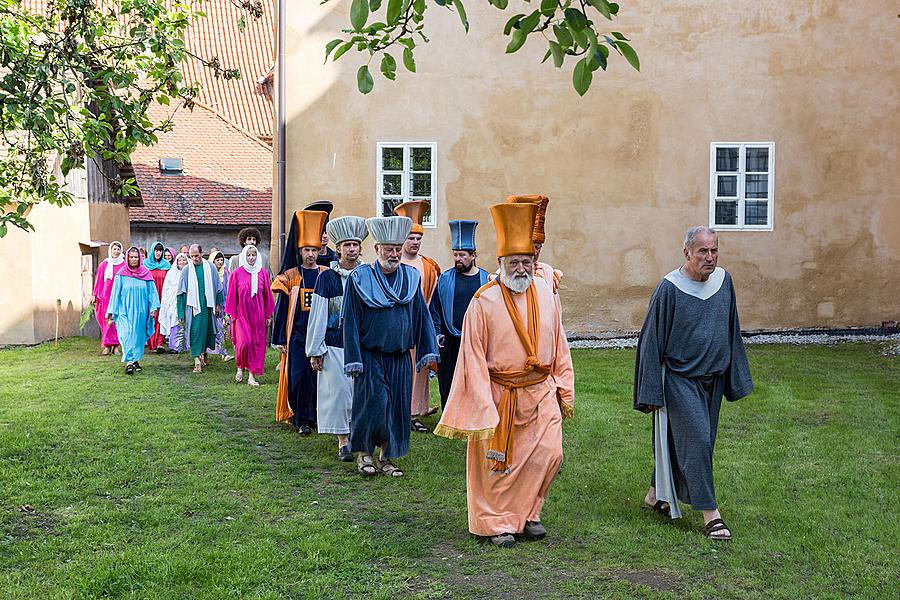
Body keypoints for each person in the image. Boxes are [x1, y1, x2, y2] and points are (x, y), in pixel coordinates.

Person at [435, 202, 574, 548]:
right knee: (499, 467)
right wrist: (483, 403)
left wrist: (562, 385)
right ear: (500, 264)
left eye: (527, 261)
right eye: (515, 262)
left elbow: (559, 342)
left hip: (541, 390)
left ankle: (530, 513)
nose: (522, 268)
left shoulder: (545, 290)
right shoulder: (483, 302)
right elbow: (471, 358)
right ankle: (496, 523)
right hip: (500, 393)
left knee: (551, 453)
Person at [633, 226, 753, 541]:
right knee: (697, 440)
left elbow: (732, 327)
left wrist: (734, 376)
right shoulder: (669, 289)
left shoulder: (724, 282)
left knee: (696, 443)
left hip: (712, 379)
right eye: (703, 251)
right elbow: (651, 342)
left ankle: (655, 492)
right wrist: (650, 392)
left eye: (714, 251)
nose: (709, 258)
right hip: (680, 379)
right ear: (687, 253)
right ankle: (710, 514)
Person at [342, 216, 439, 478]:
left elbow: (421, 315)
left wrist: (428, 348)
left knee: (396, 407)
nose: (394, 254)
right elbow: (349, 320)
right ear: (377, 250)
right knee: (373, 405)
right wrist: (353, 357)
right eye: (389, 249)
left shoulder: (410, 277)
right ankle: (364, 454)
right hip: (370, 355)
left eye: (397, 248)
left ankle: (387, 457)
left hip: (400, 357)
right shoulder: (359, 278)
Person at [306, 215, 367, 461]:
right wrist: (315, 349)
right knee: (338, 393)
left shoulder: (367, 275)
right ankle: (343, 441)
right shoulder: (327, 278)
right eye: (347, 245)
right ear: (338, 248)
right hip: (334, 343)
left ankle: (357, 434)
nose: (351, 249)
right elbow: (318, 315)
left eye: (355, 245)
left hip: (361, 344)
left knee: (359, 393)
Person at [271, 210, 329, 434]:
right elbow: (282, 309)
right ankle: (301, 418)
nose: (311, 254)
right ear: (300, 251)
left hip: (322, 334)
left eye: (314, 250)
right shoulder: (290, 276)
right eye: (307, 250)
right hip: (296, 334)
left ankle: (317, 415)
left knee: (319, 376)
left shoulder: (326, 274)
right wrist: (279, 337)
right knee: (299, 376)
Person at [430, 220, 490, 410]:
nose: (458, 259)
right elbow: (435, 309)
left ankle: (474, 414)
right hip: (449, 339)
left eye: (462, 255)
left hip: (476, 339)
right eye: (455, 254)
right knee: (447, 379)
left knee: (475, 379)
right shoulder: (445, 279)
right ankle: (449, 415)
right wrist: (438, 332)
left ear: (473, 256)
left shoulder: (486, 280)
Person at [393, 200, 441, 432]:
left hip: (420, 325)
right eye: (410, 238)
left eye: (418, 238)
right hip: (398, 326)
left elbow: (433, 298)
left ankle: (416, 410)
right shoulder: (393, 264)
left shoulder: (429, 266)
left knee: (419, 370)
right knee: (400, 368)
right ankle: (398, 409)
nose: (414, 242)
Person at [106, 246, 161, 375]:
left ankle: (135, 359)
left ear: (140, 258)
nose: (134, 259)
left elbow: (152, 293)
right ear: (127, 258)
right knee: (126, 335)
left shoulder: (146, 273)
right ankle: (129, 362)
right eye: (131, 257)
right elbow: (115, 294)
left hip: (141, 311)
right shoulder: (121, 274)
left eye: (136, 257)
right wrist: (111, 310)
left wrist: (153, 307)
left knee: (138, 336)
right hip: (124, 310)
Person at [225, 245, 274, 386]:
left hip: (257, 314)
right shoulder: (237, 274)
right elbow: (231, 295)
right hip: (241, 314)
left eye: (253, 255)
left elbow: (267, 296)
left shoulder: (262, 273)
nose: (251, 258)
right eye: (248, 255)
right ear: (244, 256)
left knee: (255, 344)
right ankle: (240, 366)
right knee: (244, 343)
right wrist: (230, 314)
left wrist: (268, 315)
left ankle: (252, 375)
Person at [506, 195, 563, 309]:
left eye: (539, 247)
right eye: (533, 246)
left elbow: (554, 307)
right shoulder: (505, 273)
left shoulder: (547, 271)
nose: (536, 252)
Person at [176, 244, 224, 373]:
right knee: (195, 332)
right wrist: (180, 312)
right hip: (192, 308)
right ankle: (197, 361)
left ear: (202, 254)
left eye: (196, 256)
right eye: (192, 256)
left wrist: (218, 304)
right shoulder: (186, 270)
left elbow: (218, 287)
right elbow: (180, 293)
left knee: (208, 331)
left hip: (208, 306)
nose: (194, 259)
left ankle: (204, 353)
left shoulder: (211, 267)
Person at [91, 240, 125, 355]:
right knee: (106, 321)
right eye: (114, 249)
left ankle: (116, 346)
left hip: (119, 297)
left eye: (118, 249)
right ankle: (106, 345)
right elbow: (99, 280)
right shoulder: (104, 264)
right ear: (110, 250)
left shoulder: (124, 264)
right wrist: (94, 294)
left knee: (116, 321)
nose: (116, 251)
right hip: (106, 296)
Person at [143, 240, 171, 353]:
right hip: (150, 295)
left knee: (162, 317)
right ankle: (151, 342)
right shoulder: (145, 264)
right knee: (151, 317)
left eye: (160, 251)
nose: (158, 253)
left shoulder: (166, 265)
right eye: (156, 250)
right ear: (152, 251)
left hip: (163, 295)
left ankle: (159, 343)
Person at [159, 252, 189, 353]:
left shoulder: (190, 272)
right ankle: (175, 346)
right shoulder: (171, 273)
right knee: (175, 321)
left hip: (187, 301)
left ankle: (186, 345)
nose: (182, 262)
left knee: (186, 321)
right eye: (179, 260)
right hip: (174, 301)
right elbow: (166, 288)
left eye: (184, 260)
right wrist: (176, 290)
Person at [209, 250, 233, 362]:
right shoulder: (209, 272)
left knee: (221, 328)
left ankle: (224, 353)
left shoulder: (226, 273)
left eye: (221, 260)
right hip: (211, 304)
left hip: (223, 305)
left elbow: (229, 289)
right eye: (217, 260)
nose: (219, 262)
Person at [305, 200, 338, 266]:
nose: (325, 236)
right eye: (321, 233)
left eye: (326, 232)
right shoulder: (305, 258)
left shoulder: (335, 258)